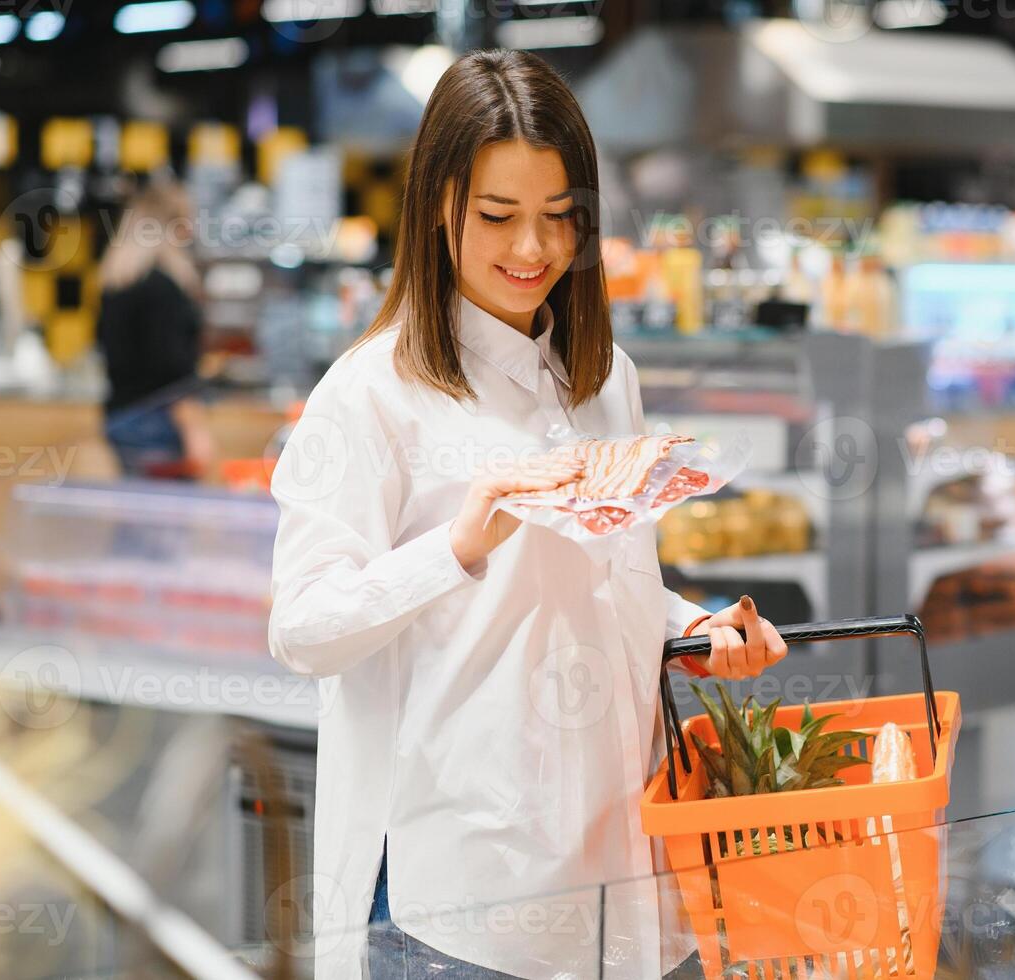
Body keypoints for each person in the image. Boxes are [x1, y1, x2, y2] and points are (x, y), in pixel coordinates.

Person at [267, 50, 789, 980]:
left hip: (630, 879)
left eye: (558, 219)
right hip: (466, 905)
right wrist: (456, 547)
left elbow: (606, 578)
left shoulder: (603, 377)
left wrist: (694, 626)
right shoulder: (369, 394)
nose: (531, 251)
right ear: (438, 207)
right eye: (498, 217)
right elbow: (303, 630)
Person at [96, 180, 216, 480]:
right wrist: (194, 429)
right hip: (158, 420)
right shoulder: (164, 287)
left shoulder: (116, 281)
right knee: (168, 519)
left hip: (120, 416)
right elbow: (172, 369)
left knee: (138, 514)